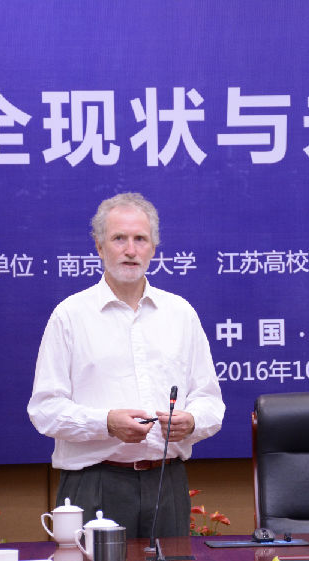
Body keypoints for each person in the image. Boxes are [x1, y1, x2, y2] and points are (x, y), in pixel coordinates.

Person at [28, 192, 224, 537]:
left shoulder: (180, 313)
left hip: (166, 482)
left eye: (140, 239)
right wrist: (106, 423)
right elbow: (45, 410)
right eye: (119, 238)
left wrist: (192, 421)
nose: (130, 250)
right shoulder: (70, 316)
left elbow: (209, 400)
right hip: (94, 482)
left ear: (153, 248)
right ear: (99, 246)